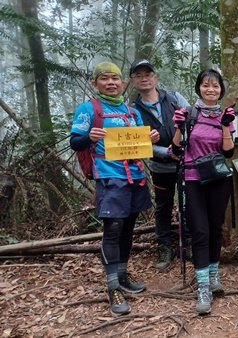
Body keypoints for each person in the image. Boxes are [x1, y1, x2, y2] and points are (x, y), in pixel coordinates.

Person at [69, 61, 159, 316]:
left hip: (135, 177)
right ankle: (112, 288)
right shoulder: (89, 109)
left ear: (123, 83)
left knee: (129, 227)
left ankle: (122, 276)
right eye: (104, 78)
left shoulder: (132, 112)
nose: (111, 83)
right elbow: (76, 142)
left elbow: (144, 146)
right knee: (113, 228)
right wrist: (90, 137)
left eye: (115, 79)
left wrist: (150, 139)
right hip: (109, 178)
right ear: (94, 83)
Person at [171, 69, 235, 315]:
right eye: (206, 85)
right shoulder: (188, 114)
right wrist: (178, 126)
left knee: (216, 228)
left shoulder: (226, 115)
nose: (211, 89)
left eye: (216, 86)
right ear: (198, 88)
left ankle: (213, 273)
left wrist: (226, 125)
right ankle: (203, 287)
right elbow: (176, 148)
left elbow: (228, 152)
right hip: (193, 178)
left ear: (221, 90)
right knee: (199, 230)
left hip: (218, 178)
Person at [129, 59, 190, 271]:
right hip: (160, 167)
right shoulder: (133, 111)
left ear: (156, 77)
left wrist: (183, 147)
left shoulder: (174, 98)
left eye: (148, 73)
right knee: (163, 206)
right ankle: (164, 246)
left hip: (186, 163)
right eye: (139, 75)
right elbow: (135, 145)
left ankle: (188, 243)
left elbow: (192, 122)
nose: (144, 78)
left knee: (188, 204)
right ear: (133, 81)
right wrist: (165, 151)